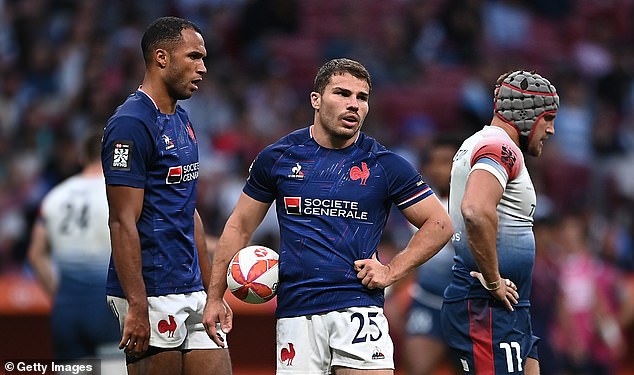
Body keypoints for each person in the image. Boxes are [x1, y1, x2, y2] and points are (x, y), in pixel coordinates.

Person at [203, 57, 453, 374]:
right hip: (296, 312)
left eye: (362, 98)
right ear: (316, 100)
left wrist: (391, 271)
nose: (353, 105)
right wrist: (215, 298)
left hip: (359, 308)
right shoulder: (278, 157)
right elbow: (238, 226)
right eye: (342, 94)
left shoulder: (385, 164)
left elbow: (441, 223)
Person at [100, 16, 231, 375]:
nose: (203, 68)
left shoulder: (182, 119)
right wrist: (137, 305)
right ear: (161, 57)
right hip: (152, 290)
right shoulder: (130, 124)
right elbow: (122, 220)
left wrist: (211, 292)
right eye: (194, 57)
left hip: (191, 287)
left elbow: (189, 211)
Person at [440, 70, 559, 374]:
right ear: (525, 114)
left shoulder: (487, 143)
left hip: (509, 306)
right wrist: (493, 279)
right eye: (547, 118)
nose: (551, 130)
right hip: (488, 304)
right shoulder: (500, 147)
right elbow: (476, 210)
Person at [27, 130, 121, 362]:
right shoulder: (120, 194)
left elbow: (35, 255)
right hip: (108, 308)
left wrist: (58, 296)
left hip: (67, 310)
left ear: (81, 157)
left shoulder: (54, 196)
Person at [403, 135, 462, 375]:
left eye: (447, 161)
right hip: (427, 302)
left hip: (467, 307)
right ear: (426, 168)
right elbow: (414, 255)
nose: (441, 169)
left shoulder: (476, 204)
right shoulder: (416, 206)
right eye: (435, 162)